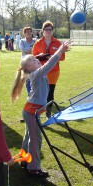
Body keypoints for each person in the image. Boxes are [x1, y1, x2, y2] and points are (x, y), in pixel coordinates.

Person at [11, 39, 72, 177]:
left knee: (29, 137)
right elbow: (50, 63)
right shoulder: (36, 74)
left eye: (35, 58)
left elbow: (43, 61)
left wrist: (38, 57)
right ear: (28, 68)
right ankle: (33, 168)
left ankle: (25, 160)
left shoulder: (35, 71)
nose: (36, 60)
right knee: (35, 139)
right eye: (33, 60)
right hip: (32, 112)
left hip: (31, 111)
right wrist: (60, 50)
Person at [32, 21, 66, 118]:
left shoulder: (58, 42)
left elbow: (62, 57)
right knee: (40, 93)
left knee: (50, 93)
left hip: (53, 71)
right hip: (41, 71)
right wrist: (41, 57)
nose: (48, 31)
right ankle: (38, 113)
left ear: (52, 31)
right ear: (43, 31)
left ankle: (48, 114)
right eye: (46, 29)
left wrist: (52, 57)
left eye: (50, 29)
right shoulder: (38, 43)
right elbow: (33, 57)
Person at [19, 27, 36, 96]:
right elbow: (23, 50)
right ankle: (30, 95)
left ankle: (35, 95)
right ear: (24, 33)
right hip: (25, 63)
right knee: (28, 80)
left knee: (35, 78)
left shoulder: (35, 40)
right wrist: (32, 49)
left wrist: (29, 50)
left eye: (30, 31)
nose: (29, 33)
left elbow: (36, 50)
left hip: (34, 62)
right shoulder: (22, 41)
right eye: (27, 32)